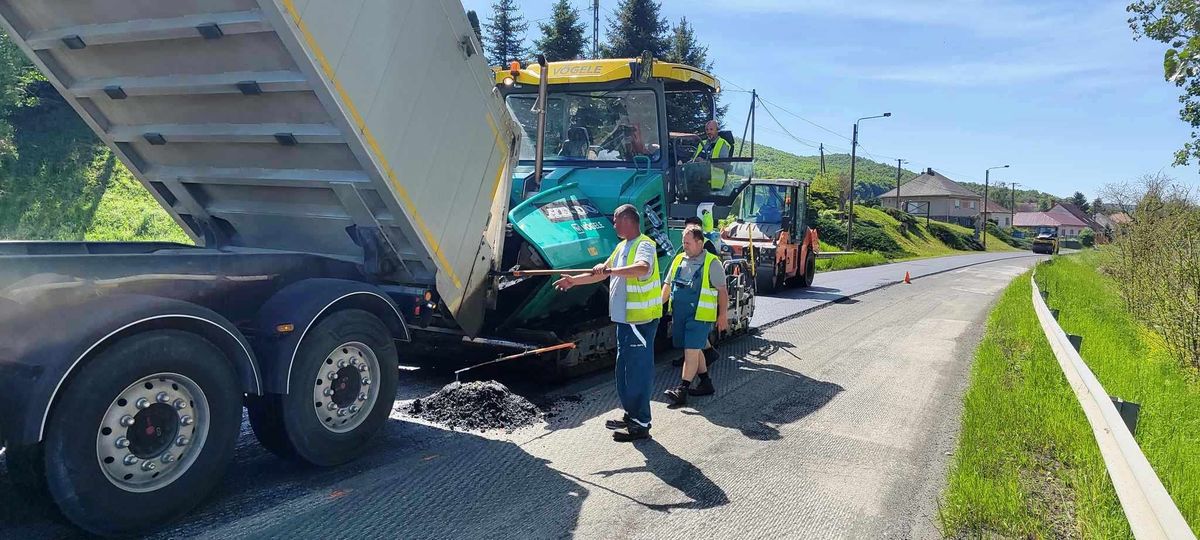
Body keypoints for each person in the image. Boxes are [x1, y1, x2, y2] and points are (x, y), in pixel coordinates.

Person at [553, 204, 661, 442]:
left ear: (628, 220)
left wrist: (611, 268)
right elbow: (602, 273)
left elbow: (642, 268)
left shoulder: (644, 245)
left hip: (639, 321)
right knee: (623, 372)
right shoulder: (622, 247)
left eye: (615, 220)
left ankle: (641, 423)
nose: (613, 225)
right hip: (625, 321)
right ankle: (631, 414)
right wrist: (574, 281)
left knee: (637, 372)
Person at [661, 227, 729, 406]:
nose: (685, 246)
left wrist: (722, 316)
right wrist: (656, 307)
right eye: (683, 243)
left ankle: (682, 389)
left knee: (690, 350)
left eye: (688, 243)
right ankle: (706, 383)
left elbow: (722, 291)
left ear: (700, 243)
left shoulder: (712, 263)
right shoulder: (678, 260)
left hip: (700, 316)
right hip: (680, 314)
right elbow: (668, 285)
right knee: (695, 349)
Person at [689, 120, 731, 190]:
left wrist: (705, 162)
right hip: (698, 183)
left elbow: (724, 165)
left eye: (711, 129)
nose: (709, 132)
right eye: (707, 130)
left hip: (714, 186)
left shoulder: (723, 144)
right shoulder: (702, 143)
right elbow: (693, 159)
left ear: (717, 130)